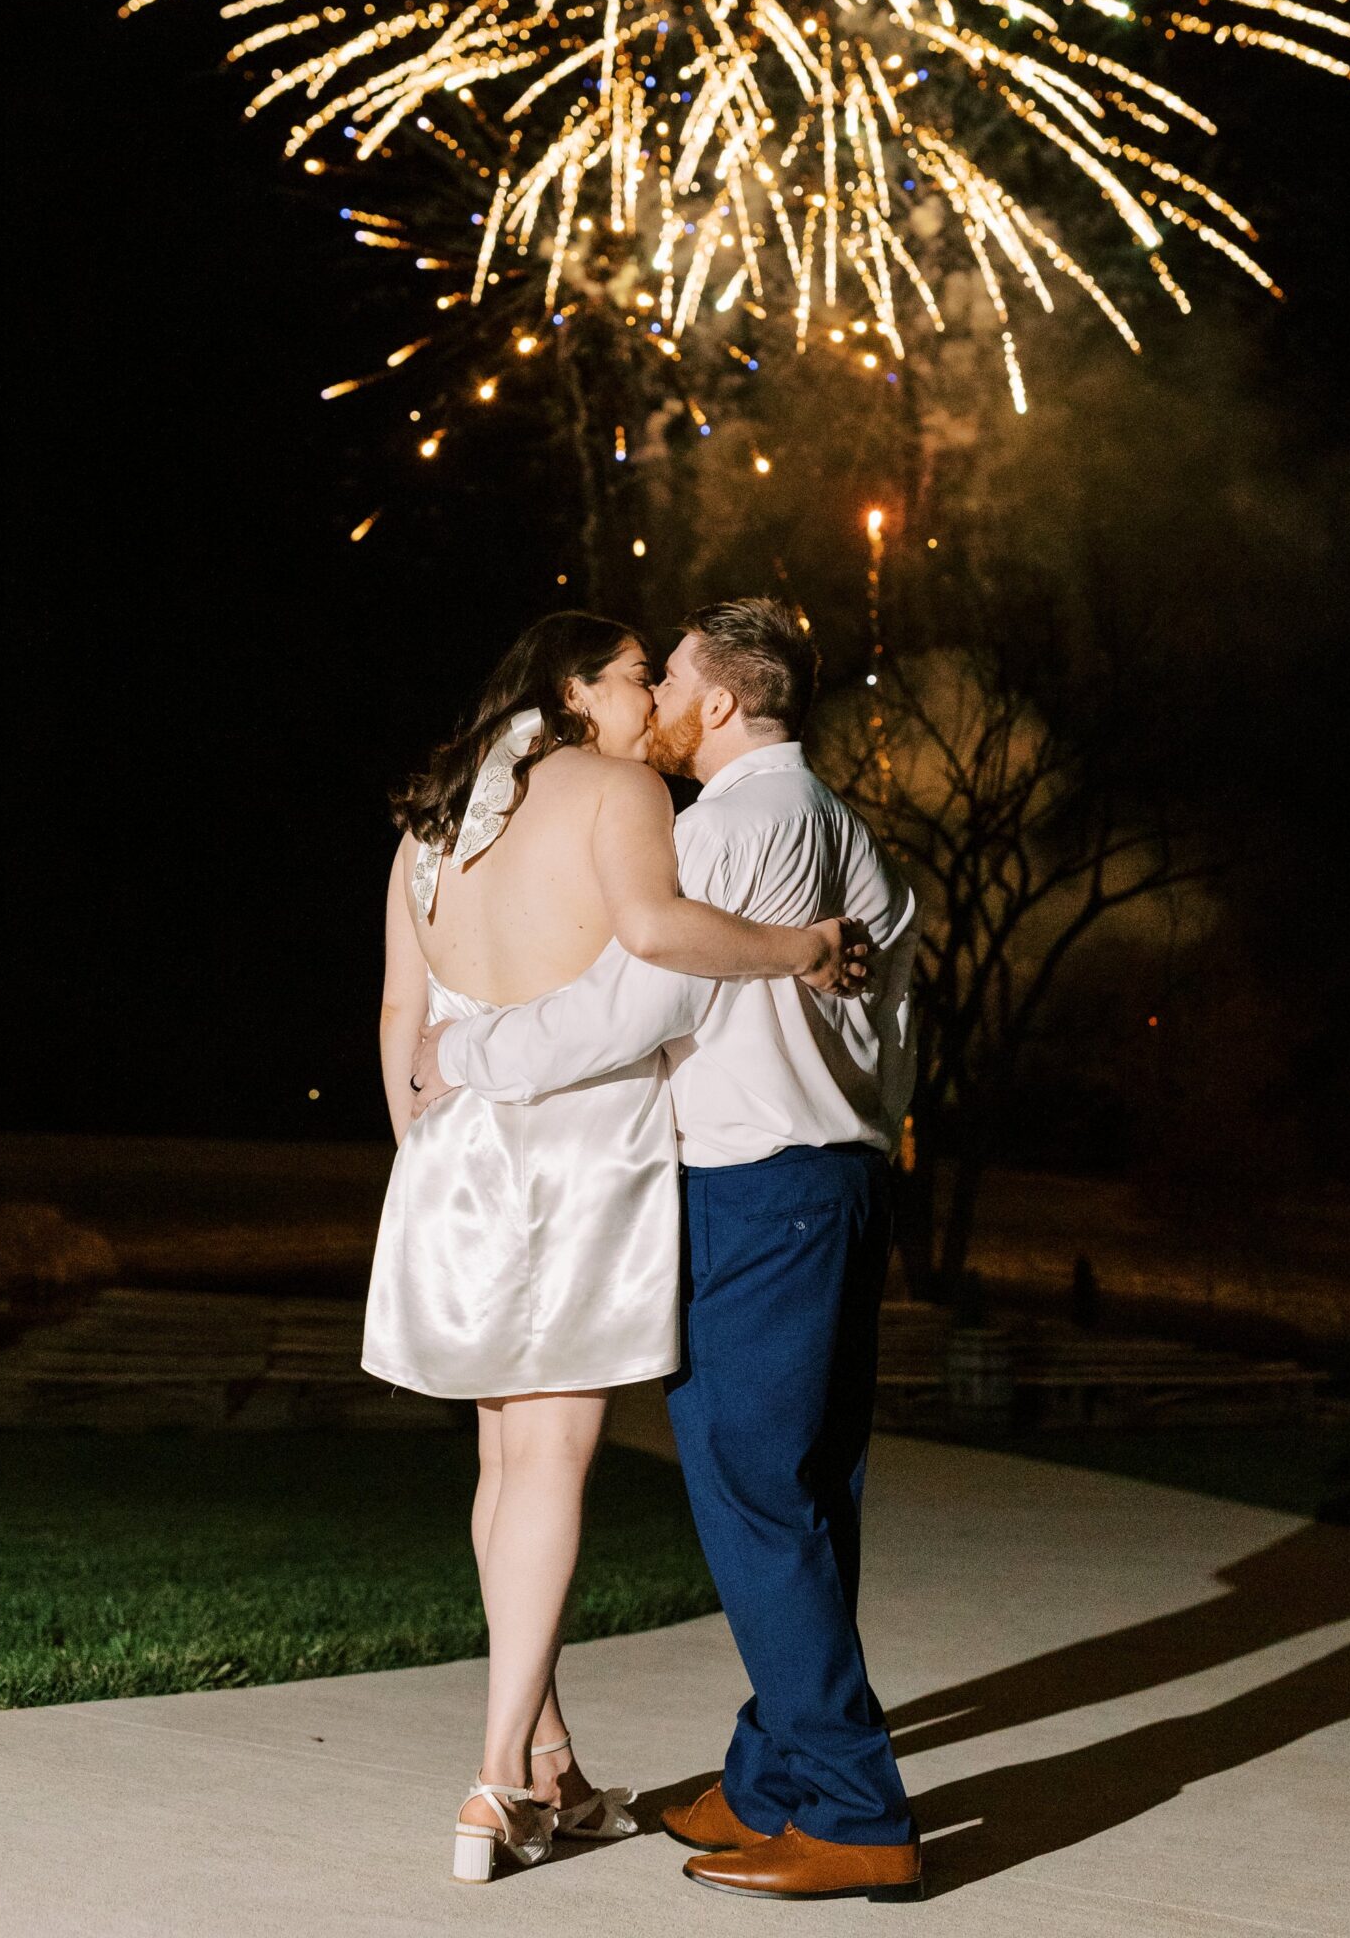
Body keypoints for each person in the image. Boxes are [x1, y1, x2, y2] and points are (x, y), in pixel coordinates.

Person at [414, 596, 924, 1904]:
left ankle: (856, 1812)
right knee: (809, 1498)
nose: (658, 700)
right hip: (849, 1184)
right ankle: (772, 1777)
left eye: (671, 677)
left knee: (756, 1497)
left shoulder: (731, 829)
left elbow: (628, 1005)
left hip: (760, 1195)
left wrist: (466, 1050)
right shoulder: (844, 829)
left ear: (713, 703)